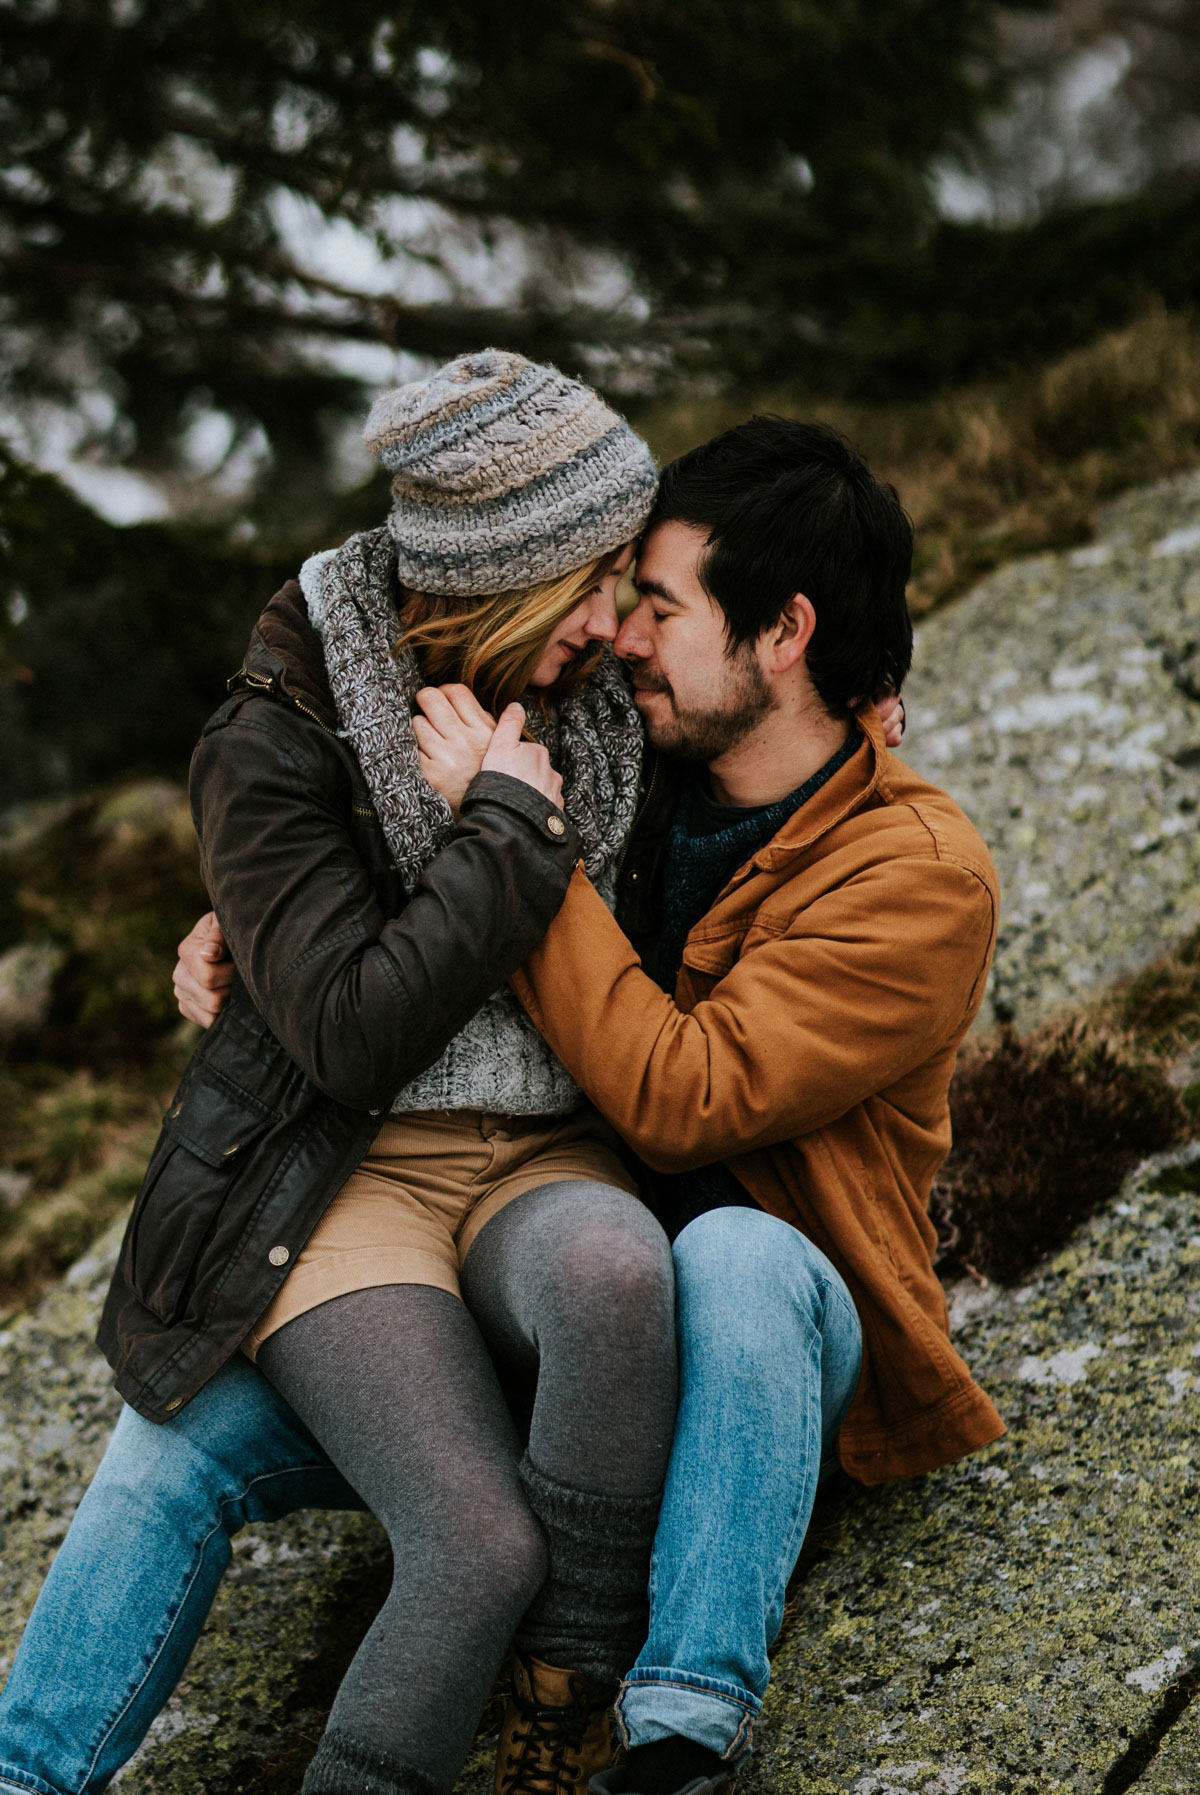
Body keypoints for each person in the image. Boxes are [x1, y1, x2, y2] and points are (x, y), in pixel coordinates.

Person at [176, 414, 1004, 1795]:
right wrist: (250, 924)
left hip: (761, 1339)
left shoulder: (918, 876)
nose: (621, 633)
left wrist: (517, 844)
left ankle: (670, 1722)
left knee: (722, 1258)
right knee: (181, 1442)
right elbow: (379, 832)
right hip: (562, 1310)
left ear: (784, 632)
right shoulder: (665, 753)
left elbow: (685, 1097)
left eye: (659, 605)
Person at [0, 349, 684, 1795]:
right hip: (347, 1176)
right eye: (592, 585)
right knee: (474, 1542)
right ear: (500, 579)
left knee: (623, 1278)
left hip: (547, 1149)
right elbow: (354, 1033)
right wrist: (504, 832)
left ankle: (555, 1716)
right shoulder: (275, 733)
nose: (618, 626)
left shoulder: (611, 716)